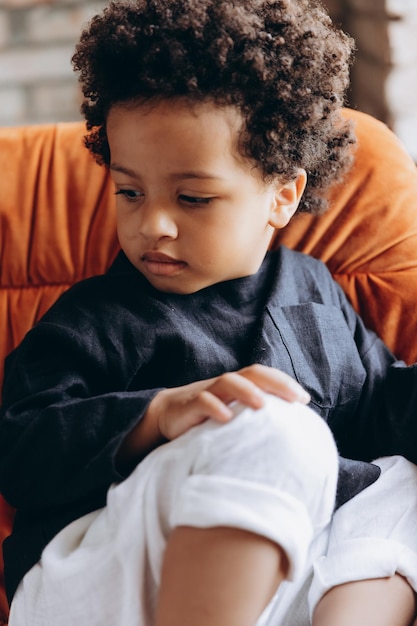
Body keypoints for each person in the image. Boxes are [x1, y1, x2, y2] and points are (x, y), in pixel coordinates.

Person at [0, 0, 417, 624]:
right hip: (107, 576)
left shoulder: (315, 290)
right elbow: (20, 448)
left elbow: (376, 408)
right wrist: (157, 415)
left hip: (278, 581)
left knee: (403, 481)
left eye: (192, 198)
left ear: (282, 196)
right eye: (129, 192)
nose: (153, 224)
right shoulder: (94, 318)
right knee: (275, 425)